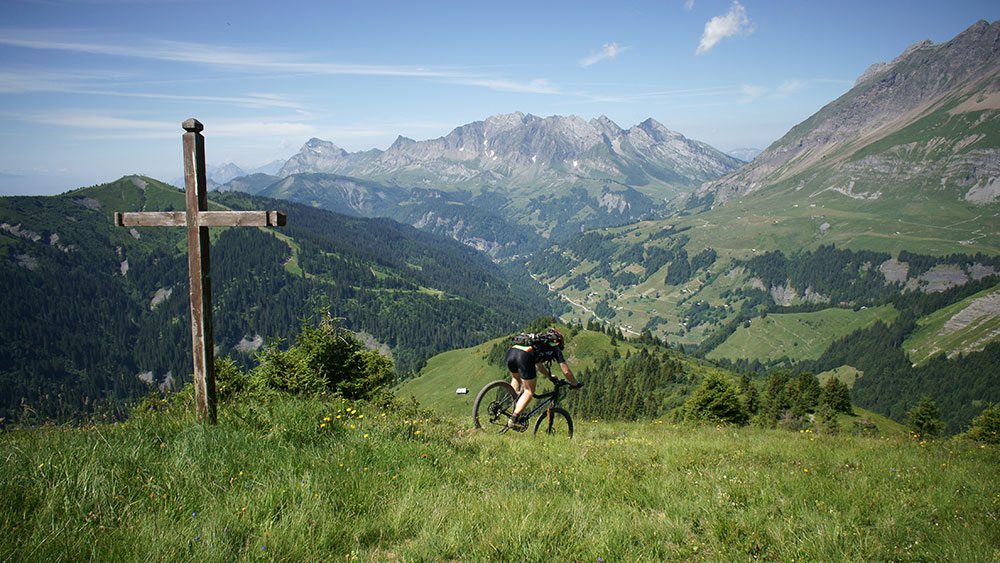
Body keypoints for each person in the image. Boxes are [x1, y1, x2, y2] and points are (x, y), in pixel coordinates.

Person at [504, 328, 581, 430]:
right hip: (524, 357)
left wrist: (549, 376)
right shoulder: (555, 348)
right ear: (557, 342)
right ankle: (514, 419)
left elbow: (539, 365)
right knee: (529, 391)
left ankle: (507, 408)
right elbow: (566, 371)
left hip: (511, 352)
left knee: (516, 378)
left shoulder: (539, 344)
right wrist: (575, 383)